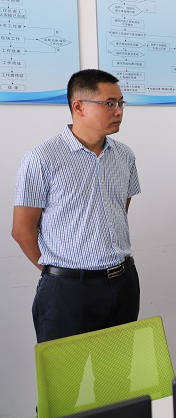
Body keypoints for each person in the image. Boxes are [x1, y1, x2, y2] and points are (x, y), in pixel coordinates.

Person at [12, 69, 141, 343]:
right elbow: (22, 231)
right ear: (78, 106)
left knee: (118, 370)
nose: (119, 111)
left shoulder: (125, 156)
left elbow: (119, 211)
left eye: (121, 103)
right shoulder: (41, 158)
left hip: (123, 283)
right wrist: (60, 274)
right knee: (65, 371)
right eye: (109, 103)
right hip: (67, 291)